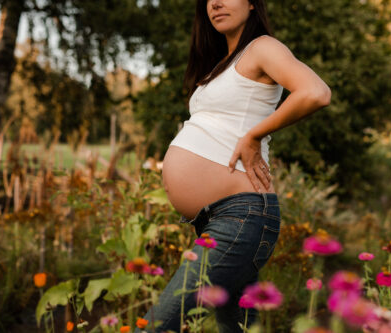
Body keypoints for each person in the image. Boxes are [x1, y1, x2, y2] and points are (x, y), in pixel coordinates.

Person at [135, 0, 331, 332]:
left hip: (241, 216)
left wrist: (255, 135)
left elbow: (315, 92)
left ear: (253, 3)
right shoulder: (222, 63)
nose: (216, 2)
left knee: (155, 326)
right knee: (238, 328)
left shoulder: (262, 47)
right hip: (219, 218)